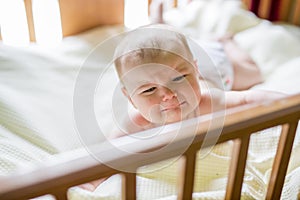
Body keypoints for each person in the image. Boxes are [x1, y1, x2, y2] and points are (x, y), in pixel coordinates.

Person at [79, 24, 285, 191]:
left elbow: (248, 99)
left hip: (217, 67)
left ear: (193, 71)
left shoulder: (207, 102)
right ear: (131, 99)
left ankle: (226, 43)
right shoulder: (137, 122)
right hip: (189, 60)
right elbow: (107, 154)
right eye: (149, 90)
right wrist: (90, 183)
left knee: (252, 74)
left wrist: (289, 101)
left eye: (179, 78)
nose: (168, 94)